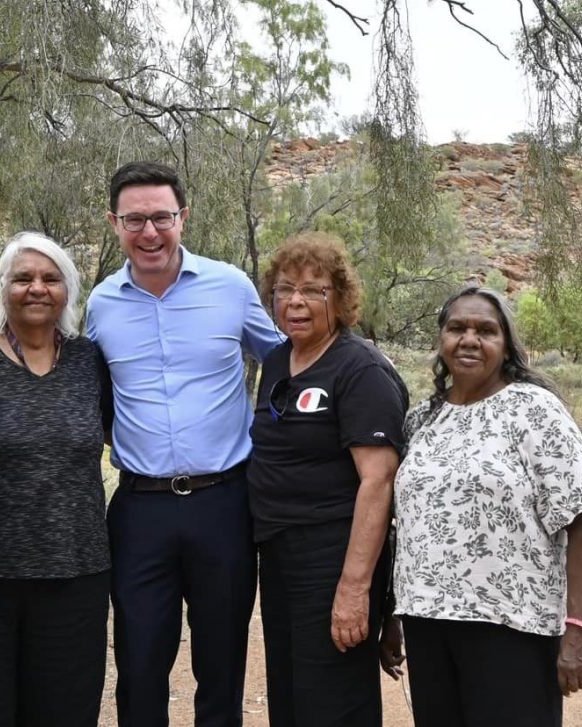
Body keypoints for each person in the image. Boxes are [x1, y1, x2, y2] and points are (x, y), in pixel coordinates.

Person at [86, 161, 284, 727]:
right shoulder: (101, 304)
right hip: (139, 507)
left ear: (183, 217)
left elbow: (284, 362)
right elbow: (89, 387)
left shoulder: (230, 287)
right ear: (114, 223)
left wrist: (279, 436)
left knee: (221, 661)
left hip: (224, 502)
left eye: (161, 217)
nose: (149, 232)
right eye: (134, 219)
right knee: (140, 660)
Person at [386, 285, 582, 727]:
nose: (469, 339)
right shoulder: (421, 420)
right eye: (457, 328)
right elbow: (404, 526)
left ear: (506, 346)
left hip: (512, 626)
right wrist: (391, 614)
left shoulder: (536, 411)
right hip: (427, 623)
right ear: (441, 340)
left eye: (486, 330)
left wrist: (579, 630)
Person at [0, 232, 113, 727]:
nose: (37, 288)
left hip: (76, 573)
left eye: (51, 278)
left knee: (66, 714)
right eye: (23, 278)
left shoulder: (88, 361)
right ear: (1, 288)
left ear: (67, 291)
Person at [247, 233, 407, 727]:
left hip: (335, 554)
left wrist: (355, 588)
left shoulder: (360, 369)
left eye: (314, 290)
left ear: (339, 299)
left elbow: (377, 482)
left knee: (334, 699)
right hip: (279, 553)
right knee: (293, 692)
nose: (295, 301)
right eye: (283, 289)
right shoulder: (278, 361)